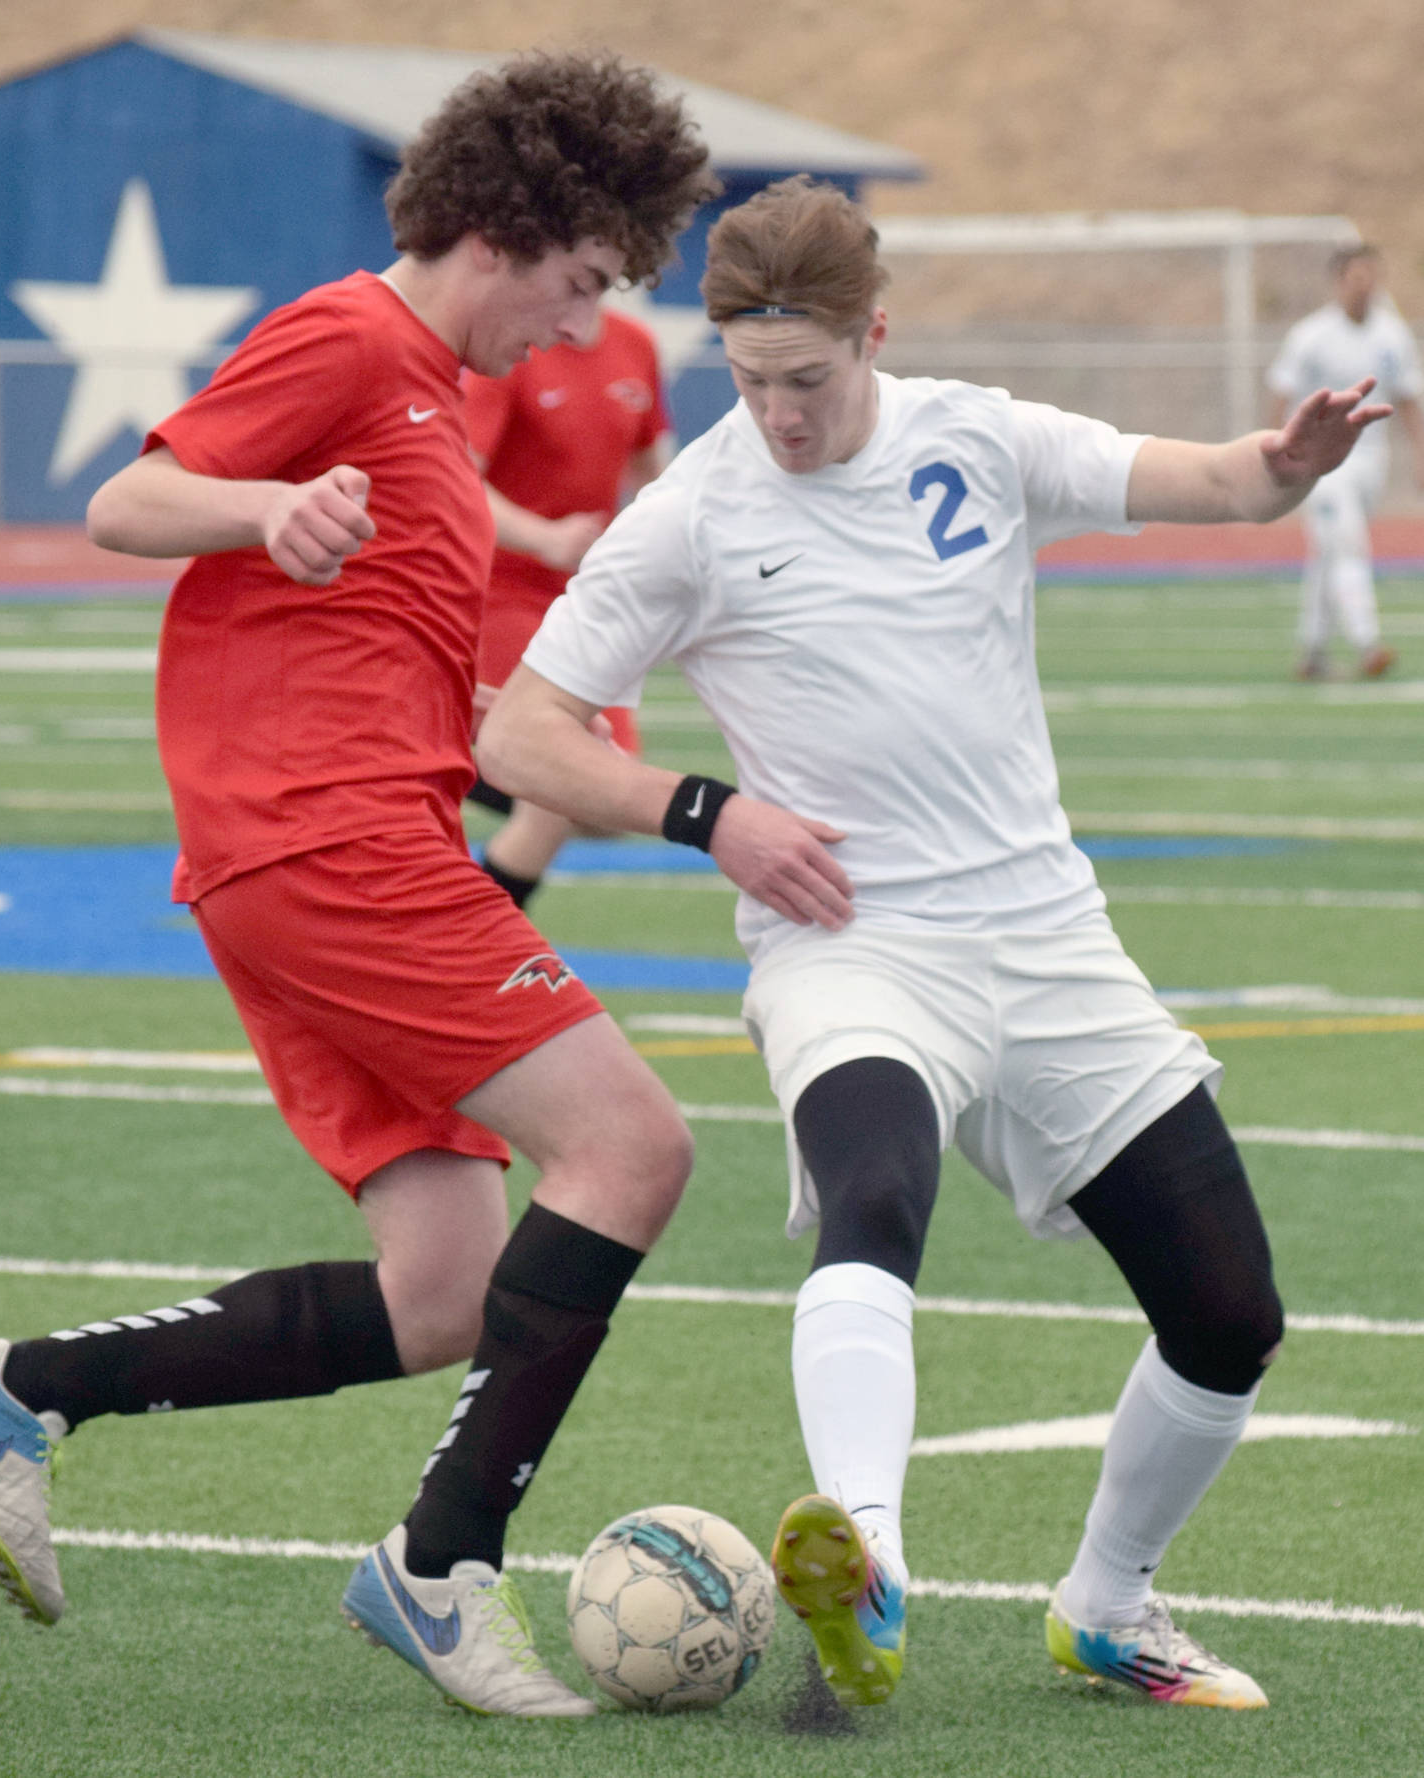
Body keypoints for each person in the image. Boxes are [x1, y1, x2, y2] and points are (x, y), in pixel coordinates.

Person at [478, 176, 1393, 1714]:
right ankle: (872, 1564)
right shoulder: (694, 509)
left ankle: (1105, 1606)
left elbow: (1220, 484)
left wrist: (1286, 464)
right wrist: (711, 813)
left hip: (1042, 936)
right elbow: (521, 726)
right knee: (875, 1190)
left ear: (872, 335)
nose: (776, 414)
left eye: (807, 381)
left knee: (1230, 1314)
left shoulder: (974, 433)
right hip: (851, 944)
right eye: (749, 381)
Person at [0, 51, 715, 1719]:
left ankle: (18, 1390)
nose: (579, 327)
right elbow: (127, 497)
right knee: (632, 1142)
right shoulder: (358, 335)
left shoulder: (429, 384)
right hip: (325, 841)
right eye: (579, 284)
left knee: (447, 1293)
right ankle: (441, 1563)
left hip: (320, 850)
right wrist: (269, 505)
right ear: (515, 227)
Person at [464, 305, 671, 908]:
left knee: (609, 799)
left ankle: (445, 761)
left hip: (585, 599)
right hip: (503, 592)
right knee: (561, 784)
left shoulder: (635, 344)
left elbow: (648, 465)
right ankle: (476, 951)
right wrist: (543, 537)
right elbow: (456, 476)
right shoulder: (516, 343)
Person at [1267, 242, 1424, 679]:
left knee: (1330, 553)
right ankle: (1367, 642)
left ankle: (1313, 651)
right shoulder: (1310, 336)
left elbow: (1409, 397)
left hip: (1372, 459)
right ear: (1338, 281)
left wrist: (1420, 454)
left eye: (1372, 276)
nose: (1366, 286)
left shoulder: (1392, 334)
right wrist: (1276, 452)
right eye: (1357, 277)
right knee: (1349, 545)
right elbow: (1280, 393)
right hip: (1322, 465)